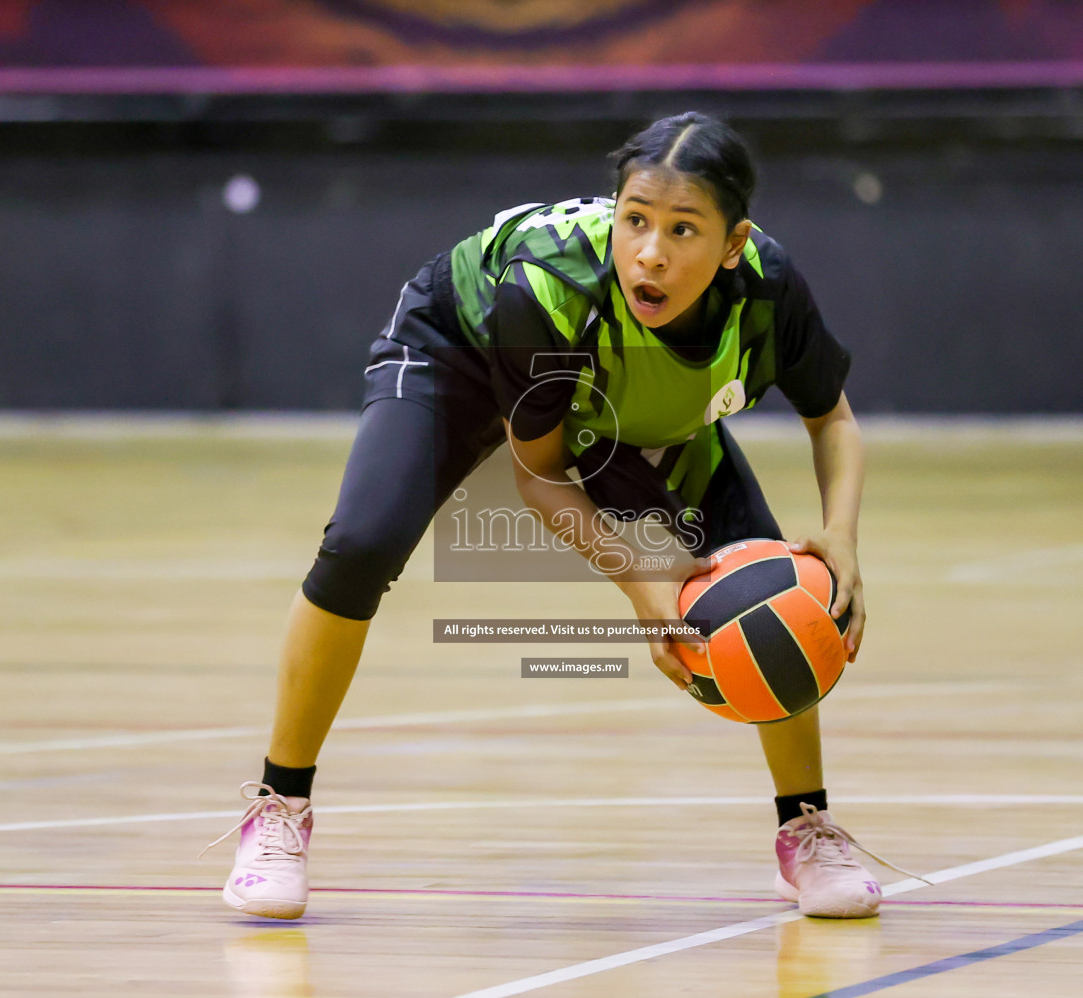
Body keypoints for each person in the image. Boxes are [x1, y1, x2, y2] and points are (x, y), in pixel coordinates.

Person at [209, 112, 893, 921]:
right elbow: (540, 473)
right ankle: (278, 807)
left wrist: (840, 536)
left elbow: (833, 420)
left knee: (766, 586)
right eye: (635, 220)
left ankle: (804, 827)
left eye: (683, 230)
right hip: (456, 349)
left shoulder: (769, 291)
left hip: (611, 386)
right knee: (359, 545)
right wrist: (642, 587)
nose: (651, 250)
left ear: (734, 243)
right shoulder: (550, 287)